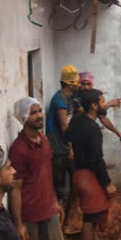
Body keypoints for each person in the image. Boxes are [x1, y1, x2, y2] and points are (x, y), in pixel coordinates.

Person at [10, 97, 69, 240]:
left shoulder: (44, 141)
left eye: (39, 111)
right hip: (29, 214)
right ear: (23, 118)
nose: (39, 115)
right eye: (33, 113)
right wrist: (19, 224)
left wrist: (55, 201)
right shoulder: (18, 150)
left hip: (48, 208)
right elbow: (15, 188)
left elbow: (48, 175)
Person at [66, 89, 116, 240]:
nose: (105, 104)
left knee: (91, 216)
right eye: (103, 102)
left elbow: (67, 137)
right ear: (94, 106)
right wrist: (107, 183)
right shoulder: (93, 129)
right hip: (88, 176)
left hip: (77, 173)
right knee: (90, 218)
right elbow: (96, 160)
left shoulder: (77, 121)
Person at [46, 64, 79, 210]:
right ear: (68, 83)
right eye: (76, 82)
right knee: (59, 182)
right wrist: (71, 148)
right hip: (59, 145)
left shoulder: (69, 98)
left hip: (65, 144)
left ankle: (71, 212)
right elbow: (64, 125)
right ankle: (61, 212)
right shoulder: (59, 100)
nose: (78, 84)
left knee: (74, 179)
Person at [78, 71, 121, 143]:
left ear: (92, 84)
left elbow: (103, 117)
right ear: (79, 84)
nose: (85, 87)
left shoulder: (94, 95)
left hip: (87, 135)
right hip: (76, 134)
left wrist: (118, 134)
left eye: (88, 84)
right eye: (83, 84)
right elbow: (82, 111)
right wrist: (109, 104)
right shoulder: (76, 96)